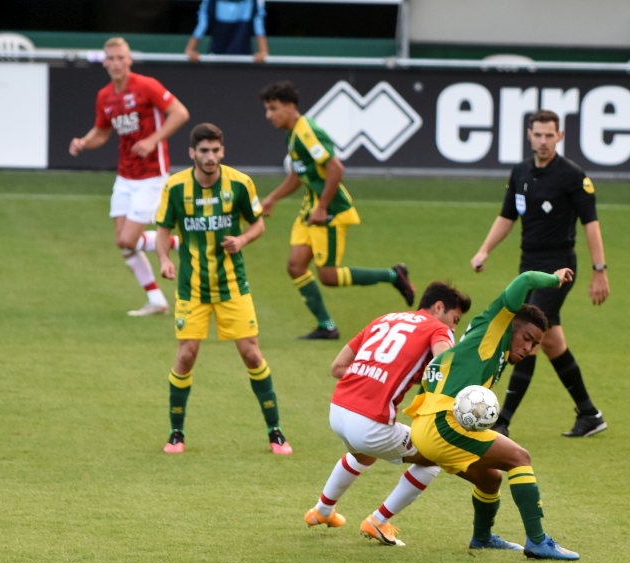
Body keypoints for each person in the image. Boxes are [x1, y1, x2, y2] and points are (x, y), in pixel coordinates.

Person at [403, 269, 581, 559]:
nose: (528, 347)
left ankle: (482, 537)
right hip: (442, 423)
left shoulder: (487, 351)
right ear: (511, 324)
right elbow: (524, 280)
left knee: (490, 478)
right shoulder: (494, 326)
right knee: (519, 458)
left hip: (425, 424)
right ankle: (538, 541)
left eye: (535, 344)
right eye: (526, 337)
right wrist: (554, 279)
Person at [470, 109, 609, 438]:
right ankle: (589, 413)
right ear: (529, 135)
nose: (544, 141)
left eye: (550, 135)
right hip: (528, 266)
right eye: (538, 134)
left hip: (560, 267)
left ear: (560, 137)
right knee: (551, 342)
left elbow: (591, 225)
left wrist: (599, 270)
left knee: (527, 334)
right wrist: (484, 249)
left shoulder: (573, 176)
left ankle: (502, 420)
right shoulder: (520, 173)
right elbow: (509, 216)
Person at [155, 123, 292, 455]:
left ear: (222, 151)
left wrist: (242, 239)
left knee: (251, 354)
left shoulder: (240, 183)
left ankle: (275, 433)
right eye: (204, 151)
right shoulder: (175, 187)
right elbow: (163, 228)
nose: (210, 157)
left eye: (216, 150)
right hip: (192, 289)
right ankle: (176, 433)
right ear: (192, 154)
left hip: (233, 286)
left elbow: (257, 221)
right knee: (186, 356)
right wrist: (163, 259)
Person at [304, 282, 472, 546]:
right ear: (439, 307)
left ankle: (322, 511)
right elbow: (444, 369)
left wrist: (378, 376)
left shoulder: (383, 320)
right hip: (370, 423)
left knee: (362, 454)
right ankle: (378, 521)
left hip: (337, 411)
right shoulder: (438, 329)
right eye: (455, 320)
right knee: (435, 455)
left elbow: (338, 367)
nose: (453, 328)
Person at [259, 81, 415, 340]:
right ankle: (327, 327)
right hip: (311, 208)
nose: (268, 115)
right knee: (295, 266)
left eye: (273, 108)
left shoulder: (307, 131)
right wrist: (273, 198)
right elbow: (298, 175)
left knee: (328, 276)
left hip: (329, 211)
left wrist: (321, 208)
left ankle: (393, 275)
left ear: (290, 107)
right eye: (267, 109)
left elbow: (336, 168)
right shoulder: (292, 134)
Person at [69, 37, 190, 316]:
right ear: (104, 62)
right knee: (124, 244)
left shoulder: (146, 86)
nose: (114, 63)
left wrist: (153, 140)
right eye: (109, 58)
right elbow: (101, 132)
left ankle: (182, 241)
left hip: (151, 174)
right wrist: (84, 141)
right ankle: (157, 300)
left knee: (127, 241)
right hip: (125, 175)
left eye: (119, 57)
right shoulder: (105, 96)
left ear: (129, 59)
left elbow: (180, 113)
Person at [185, 0, 269, 63]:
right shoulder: (211, 2)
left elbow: (259, 26)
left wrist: (263, 52)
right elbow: (202, 24)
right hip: (216, 59)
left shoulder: (253, 2)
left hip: (244, 60)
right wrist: (190, 50)